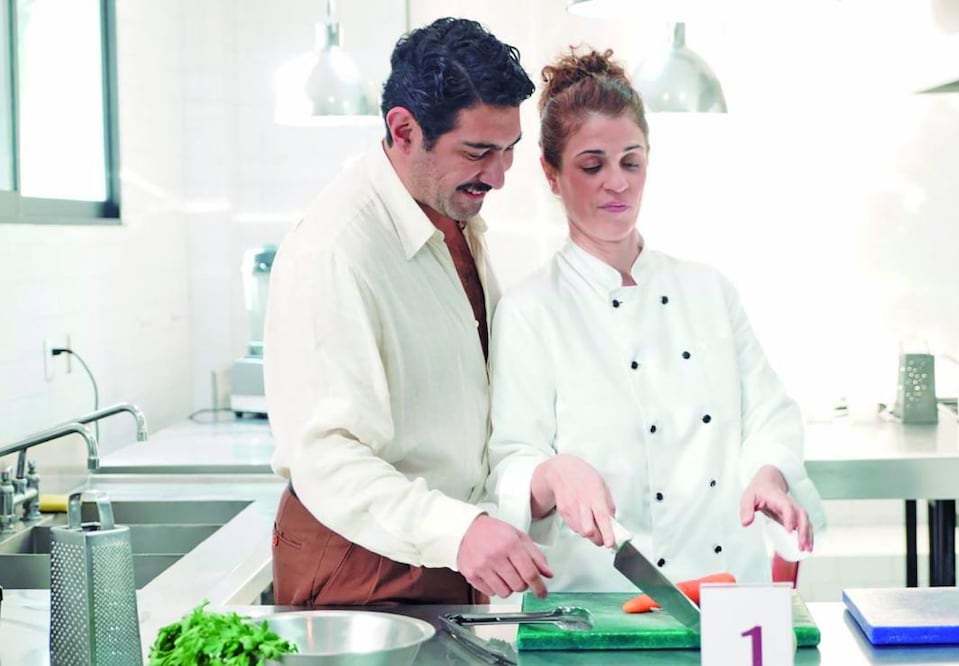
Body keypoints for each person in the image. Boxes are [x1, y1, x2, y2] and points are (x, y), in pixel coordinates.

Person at [486, 48, 826, 592]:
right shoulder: (531, 310)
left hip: (728, 594)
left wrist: (769, 474)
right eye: (592, 165)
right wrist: (552, 473)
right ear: (551, 174)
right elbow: (510, 461)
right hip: (599, 599)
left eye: (631, 162)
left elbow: (769, 414)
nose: (617, 183)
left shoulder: (708, 290)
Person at [262, 17, 552, 607]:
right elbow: (326, 454)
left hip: (445, 548)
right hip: (357, 562)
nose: (498, 176)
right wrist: (458, 531)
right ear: (403, 130)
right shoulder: (335, 250)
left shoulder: (449, 214)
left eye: (509, 151)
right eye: (478, 152)